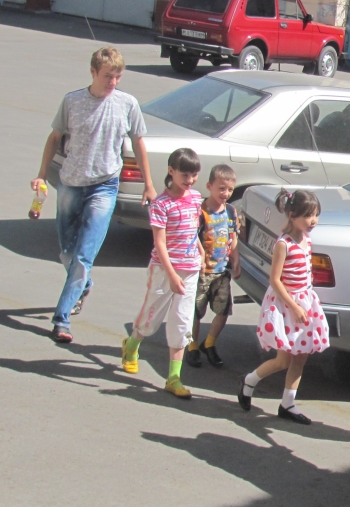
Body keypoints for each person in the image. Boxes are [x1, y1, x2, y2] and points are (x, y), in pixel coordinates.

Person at [32, 47, 155, 343]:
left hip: (104, 186)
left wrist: (149, 184)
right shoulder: (72, 101)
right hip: (71, 183)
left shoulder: (127, 104)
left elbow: (139, 143)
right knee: (67, 252)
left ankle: (61, 319)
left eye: (118, 76)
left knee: (84, 255)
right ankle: (83, 284)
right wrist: (41, 174)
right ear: (93, 72)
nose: (113, 82)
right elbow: (54, 138)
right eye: (107, 76)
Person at [237, 190, 329, 424]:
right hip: (287, 305)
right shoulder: (283, 244)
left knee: (301, 356)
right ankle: (249, 380)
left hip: (304, 302)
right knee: (283, 360)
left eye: (316, 215)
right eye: (308, 215)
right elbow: (275, 280)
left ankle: (288, 403)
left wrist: (306, 302)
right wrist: (294, 307)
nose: (313, 221)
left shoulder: (306, 240)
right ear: (291, 215)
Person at [121, 149, 203, 399]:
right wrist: (172, 275)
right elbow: (160, 243)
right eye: (185, 174)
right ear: (171, 171)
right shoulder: (161, 204)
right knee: (151, 316)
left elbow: (193, 230)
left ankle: (173, 378)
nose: (190, 180)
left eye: (194, 175)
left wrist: (201, 252)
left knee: (182, 321)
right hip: (164, 270)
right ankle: (132, 345)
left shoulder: (196, 198)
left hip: (190, 270)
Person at [186, 165, 240, 369]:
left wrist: (236, 259)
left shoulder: (230, 211)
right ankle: (192, 345)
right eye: (221, 188)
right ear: (209, 186)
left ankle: (209, 343)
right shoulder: (200, 211)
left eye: (230, 190)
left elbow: (233, 236)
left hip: (222, 271)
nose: (225, 193)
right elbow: (193, 237)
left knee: (223, 310)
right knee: (195, 311)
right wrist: (199, 257)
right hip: (202, 271)